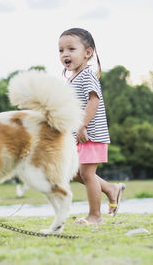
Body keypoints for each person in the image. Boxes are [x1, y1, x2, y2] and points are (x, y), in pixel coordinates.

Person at [58, 28, 126, 226]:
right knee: (74, 173)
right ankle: (111, 189)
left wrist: (82, 125)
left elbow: (93, 101)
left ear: (88, 52)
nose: (65, 54)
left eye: (71, 48)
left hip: (90, 133)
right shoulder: (72, 78)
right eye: (61, 50)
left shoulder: (87, 75)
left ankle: (95, 216)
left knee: (87, 174)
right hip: (78, 134)